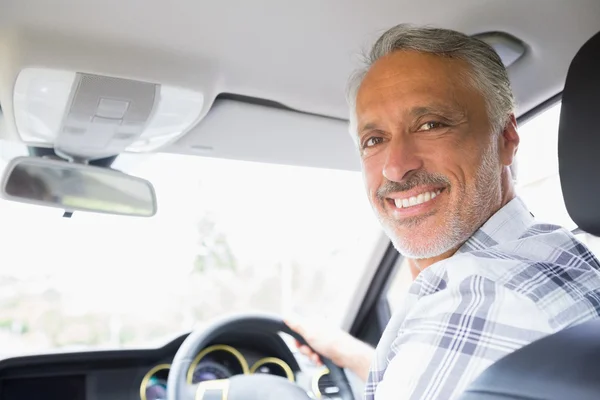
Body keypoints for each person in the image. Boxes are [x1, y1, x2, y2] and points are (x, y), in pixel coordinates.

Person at [287, 24, 600, 399]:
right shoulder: (559, 255)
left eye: (430, 124)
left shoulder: (482, 296)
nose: (395, 167)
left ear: (506, 139)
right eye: (375, 140)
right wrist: (350, 354)